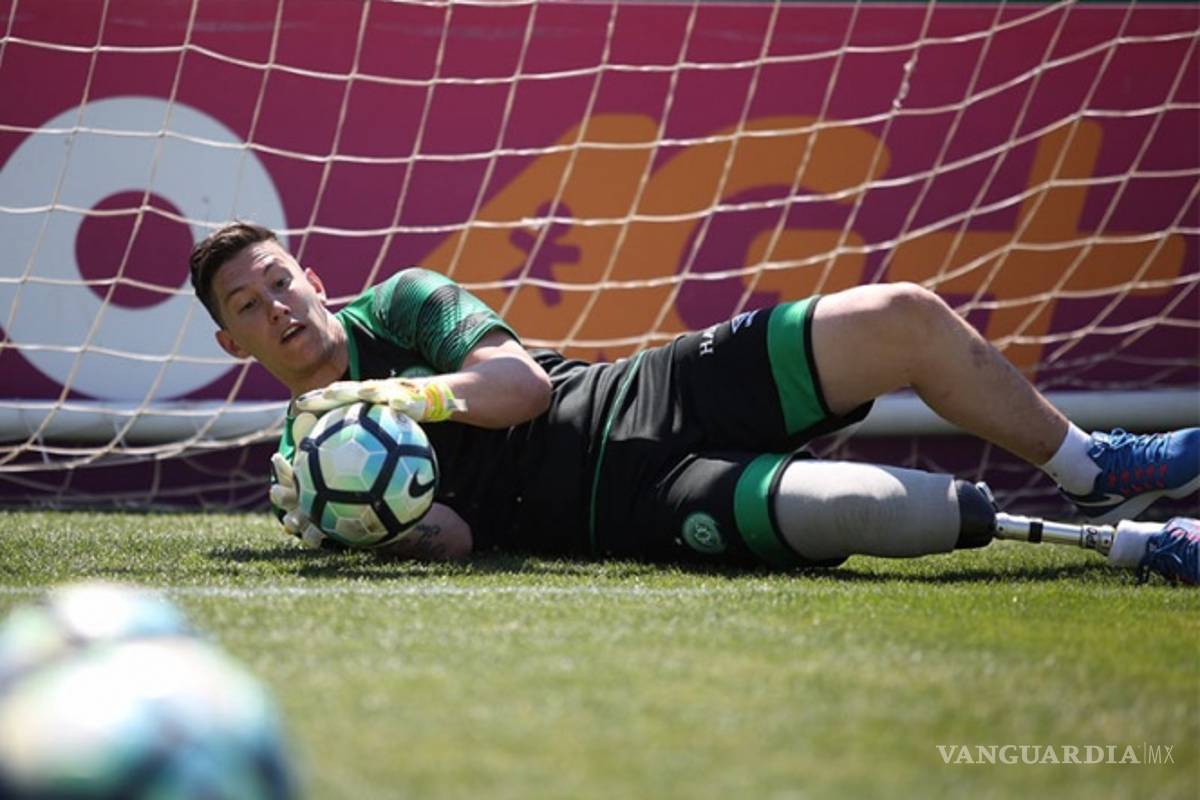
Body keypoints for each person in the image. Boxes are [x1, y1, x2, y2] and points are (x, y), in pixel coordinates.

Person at [188, 221, 1199, 582]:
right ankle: (1121, 545)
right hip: (636, 512)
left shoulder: (405, 303)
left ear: (313, 278)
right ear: (232, 341)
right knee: (865, 512)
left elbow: (523, 385)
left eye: (281, 280)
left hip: (648, 388)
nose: (276, 307)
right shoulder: (304, 462)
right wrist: (370, 529)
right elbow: (451, 535)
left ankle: (1095, 467)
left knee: (902, 313)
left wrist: (390, 391)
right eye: (249, 303)